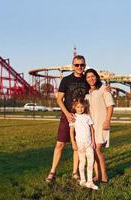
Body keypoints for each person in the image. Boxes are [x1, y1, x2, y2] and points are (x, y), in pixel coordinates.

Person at [45, 55, 88, 183]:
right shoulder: (66, 80)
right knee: (60, 144)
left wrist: (107, 88)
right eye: (77, 65)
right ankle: (52, 171)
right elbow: (59, 99)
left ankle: (75, 172)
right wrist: (67, 113)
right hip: (67, 115)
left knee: (78, 145)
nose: (79, 67)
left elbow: (98, 86)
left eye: (82, 65)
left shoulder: (87, 80)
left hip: (81, 117)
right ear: (72, 66)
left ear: (85, 66)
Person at [84, 68, 114, 183]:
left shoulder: (104, 89)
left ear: (96, 76)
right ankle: (97, 175)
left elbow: (110, 106)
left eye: (92, 76)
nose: (91, 79)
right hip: (91, 126)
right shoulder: (87, 92)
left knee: (97, 149)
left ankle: (104, 176)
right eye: (88, 77)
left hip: (101, 124)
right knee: (93, 150)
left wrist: (107, 121)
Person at [69, 98, 98, 190]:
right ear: (75, 107)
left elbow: (92, 130)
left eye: (81, 107)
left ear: (84, 107)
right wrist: (73, 142)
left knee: (90, 161)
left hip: (89, 143)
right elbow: (71, 131)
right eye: (78, 107)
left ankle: (90, 181)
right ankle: (83, 180)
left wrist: (93, 141)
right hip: (80, 144)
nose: (80, 109)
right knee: (82, 162)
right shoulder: (73, 117)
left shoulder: (87, 116)